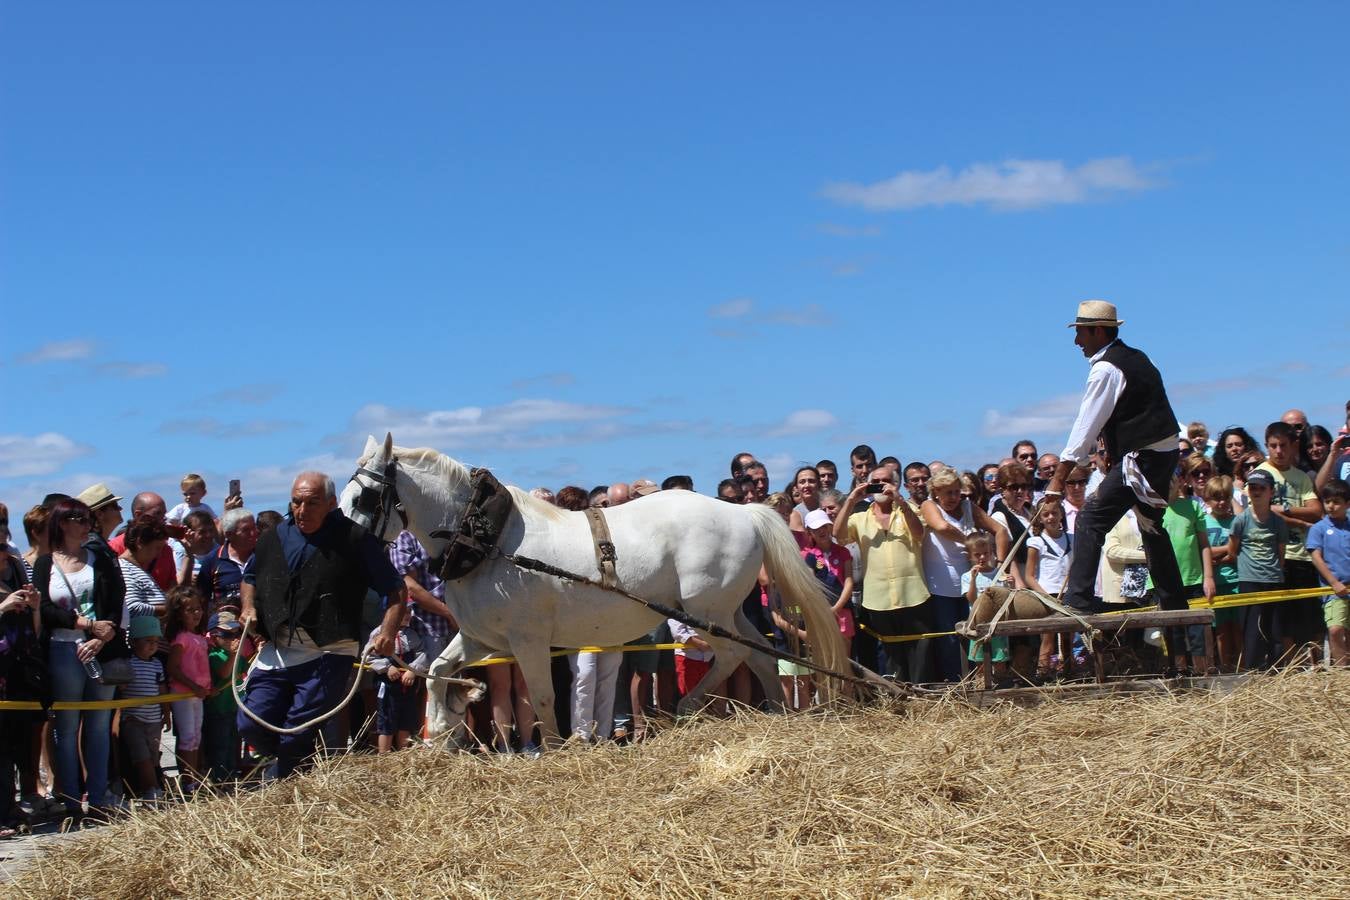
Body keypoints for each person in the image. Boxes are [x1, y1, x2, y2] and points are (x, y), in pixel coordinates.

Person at [237, 472, 403, 778]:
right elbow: (249, 578)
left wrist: (388, 631)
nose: (302, 510)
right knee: (249, 723)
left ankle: (285, 788)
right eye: (297, 502)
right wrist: (248, 607)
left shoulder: (355, 539)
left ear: (331, 503)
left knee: (296, 732)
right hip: (279, 647)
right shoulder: (274, 537)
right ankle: (296, 762)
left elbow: (395, 590)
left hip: (330, 651)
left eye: (312, 503)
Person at [1046, 300, 1185, 620]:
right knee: (1152, 526)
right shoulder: (1137, 357)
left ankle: (1078, 601)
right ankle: (1175, 604)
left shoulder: (1106, 369)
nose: (1076, 341)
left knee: (1090, 519)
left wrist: (1058, 479)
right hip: (1161, 456)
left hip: (1143, 458)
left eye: (1080, 332)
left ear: (1097, 331)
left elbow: (1084, 428)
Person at [33, 498, 127, 820]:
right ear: (61, 523)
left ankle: (98, 798)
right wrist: (85, 625)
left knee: (100, 725)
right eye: (75, 517)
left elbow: (117, 599)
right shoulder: (45, 563)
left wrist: (102, 637)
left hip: (102, 647)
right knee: (67, 726)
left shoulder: (101, 557)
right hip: (63, 648)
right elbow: (44, 609)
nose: (84, 522)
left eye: (86, 516)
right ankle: (72, 800)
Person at [834, 465, 930, 682]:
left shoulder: (909, 511)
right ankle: (896, 699)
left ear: (895, 485)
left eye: (886, 481)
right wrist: (851, 500)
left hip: (913, 594)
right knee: (890, 657)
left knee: (920, 654)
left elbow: (919, 533)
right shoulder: (860, 518)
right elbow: (838, 534)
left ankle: (921, 698)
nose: (880, 485)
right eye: (875, 481)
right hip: (878, 599)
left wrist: (901, 501)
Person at [920, 468, 1006, 682]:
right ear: (936, 492)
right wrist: (970, 542)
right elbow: (941, 526)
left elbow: (1000, 530)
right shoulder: (929, 505)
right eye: (948, 492)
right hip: (941, 587)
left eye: (957, 492)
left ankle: (981, 679)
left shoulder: (969, 507)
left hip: (973, 585)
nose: (953, 498)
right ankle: (955, 682)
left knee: (975, 634)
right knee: (949, 640)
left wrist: (1001, 564)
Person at [1258, 421, 1325, 657]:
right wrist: (1298, 514)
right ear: (1266, 445)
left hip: (1303, 554)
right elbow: (1263, 511)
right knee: (1283, 620)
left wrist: (1284, 509)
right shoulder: (1260, 474)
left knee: (1311, 617)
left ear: (1293, 446)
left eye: (1283, 445)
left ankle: (1314, 666)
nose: (1278, 451)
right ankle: (1291, 667)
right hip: (1274, 557)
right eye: (1273, 446)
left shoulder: (1301, 477)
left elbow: (1317, 511)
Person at [1228, 469, 1289, 669]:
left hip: (1273, 579)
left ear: (1271, 491)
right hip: (1249, 580)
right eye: (1252, 487)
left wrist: (1273, 571)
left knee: (1275, 630)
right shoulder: (1240, 520)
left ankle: (1277, 671)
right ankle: (1252, 672)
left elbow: (1281, 555)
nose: (1256, 491)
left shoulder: (1278, 522)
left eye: (1261, 487)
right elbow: (1232, 551)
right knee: (1251, 631)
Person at [0, 581, 43, 836]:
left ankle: (6, 809)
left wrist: (34, 609)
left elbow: (33, 641)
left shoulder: (12, 625)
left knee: (7, 758)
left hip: (13, 697)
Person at [118, 615, 168, 803]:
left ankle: (154, 785)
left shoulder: (156, 664)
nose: (153, 646)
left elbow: (162, 689)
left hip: (154, 719)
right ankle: (151, 789)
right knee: (141, 756)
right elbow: (122, 688)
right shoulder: (129, 662)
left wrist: (167, 713)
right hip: (133, 718)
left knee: (153, 755)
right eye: (148, 641)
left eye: (156, 641)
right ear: (134, 641)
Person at [165, 586, 210, 789]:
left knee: (196, 736)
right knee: (187, 737)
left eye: (198, 608)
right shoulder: (181, 638)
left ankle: (194, 779)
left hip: (197, 693)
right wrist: (193, 686)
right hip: (184, 692)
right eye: (190, 610)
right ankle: (187, 782)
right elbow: (173, 668)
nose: (196, 613)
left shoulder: (200, 637)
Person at [364, 602, 426, 753]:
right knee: (387, 718)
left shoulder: (411, 634)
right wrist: (387, 667)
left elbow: (423, 654)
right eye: (403, 611)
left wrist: (413, 670)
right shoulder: (378, 633)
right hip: (387, 684)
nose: (407, 615)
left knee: (406, 717)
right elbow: (367, 656)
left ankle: (402, 755)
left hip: (407, 684)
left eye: (409, 611)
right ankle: (384, 756)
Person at [1024, 500, 1075, 676]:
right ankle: (1042, 674)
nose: (1051, 517)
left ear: (1061, 514)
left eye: (1054, 513)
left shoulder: (1071, 538)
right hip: (1047, 595)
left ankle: (1068, 673)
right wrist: (1045, 596)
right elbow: (1029, 576)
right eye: (1046, 514)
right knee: (1048, 637)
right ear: (1039, 519)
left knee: (1068, 637)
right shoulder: (1036, 542)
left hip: (1068, 593)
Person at [1201, 476, 1242, 671]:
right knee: (1222, 630)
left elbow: (1239, 550)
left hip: (1236, 580)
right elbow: (1204, 549)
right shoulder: (1204, 522)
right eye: (1216, 498)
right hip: (1216, 583)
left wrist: (1219, 555)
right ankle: (1226, 667)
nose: (1222, 502)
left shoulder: (1237, 521)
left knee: (1238, 627)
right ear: (1207, 499)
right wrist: (1227, 548)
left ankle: (1241, 666)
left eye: (1226, 497)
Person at [1307, 479, 1350, 667]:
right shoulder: (1319, 528)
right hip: (1333, 590)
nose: (1331, 506)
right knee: (1335, 629)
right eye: (1327, 501)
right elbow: (1316, 557)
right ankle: (1341, 674)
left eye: (1337, 501)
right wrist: (1333, 582)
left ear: (1347, 504)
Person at [203, 612, 247, 783]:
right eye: (228, 635)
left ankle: (232, 774)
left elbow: (246, 669)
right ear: (214, 636)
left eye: (236, 634)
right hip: (218, 710)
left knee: (232, 744)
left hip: (233, 707)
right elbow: (224, 673)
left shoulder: (239, 655)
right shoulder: (214, 655)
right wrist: (234, 655)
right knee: (219, 745)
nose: (233, 639)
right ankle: (220, 777)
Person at [108, 493, 178, 592]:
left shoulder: (166, 550)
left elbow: (172, 589)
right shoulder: (114, 548)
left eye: (164, 514)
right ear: (138, 515)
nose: (163, 519)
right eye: (158, 513)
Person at [197, 507, 258, 617]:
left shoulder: (264, 555)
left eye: (254, 527)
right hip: (226, 627)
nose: (254, 533)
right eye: (246, 530)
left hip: (262, 626)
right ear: (229, 534)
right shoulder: (213, 560)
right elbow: (202, 598)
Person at [118, 519, 169, 621]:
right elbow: (132, 608)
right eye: (157, 548)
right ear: (139, 542)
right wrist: (169, 610)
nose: (159, 555)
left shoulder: (138, 570)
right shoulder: (125, 569)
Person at [788, 466, 823, 532]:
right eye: (802, 482)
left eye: (811, 481)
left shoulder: (828, 508)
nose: (807, 485)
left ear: (819, 484)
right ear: (796, 487)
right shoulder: (795, 515)